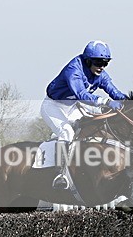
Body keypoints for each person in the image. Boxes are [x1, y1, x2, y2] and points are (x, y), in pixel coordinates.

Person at [40, 40, 128, 189]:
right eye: (98, 62)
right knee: (67, 132)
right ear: (88, 60)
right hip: (53, 106)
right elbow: (81, 94)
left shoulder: (100, 73)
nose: (101, 67)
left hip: (72, 106)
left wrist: (128, 101)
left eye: (105, 63)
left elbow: (113, 91)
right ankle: (60, 174)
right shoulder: (74, 70)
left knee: (90, 130)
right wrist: (106, 102)